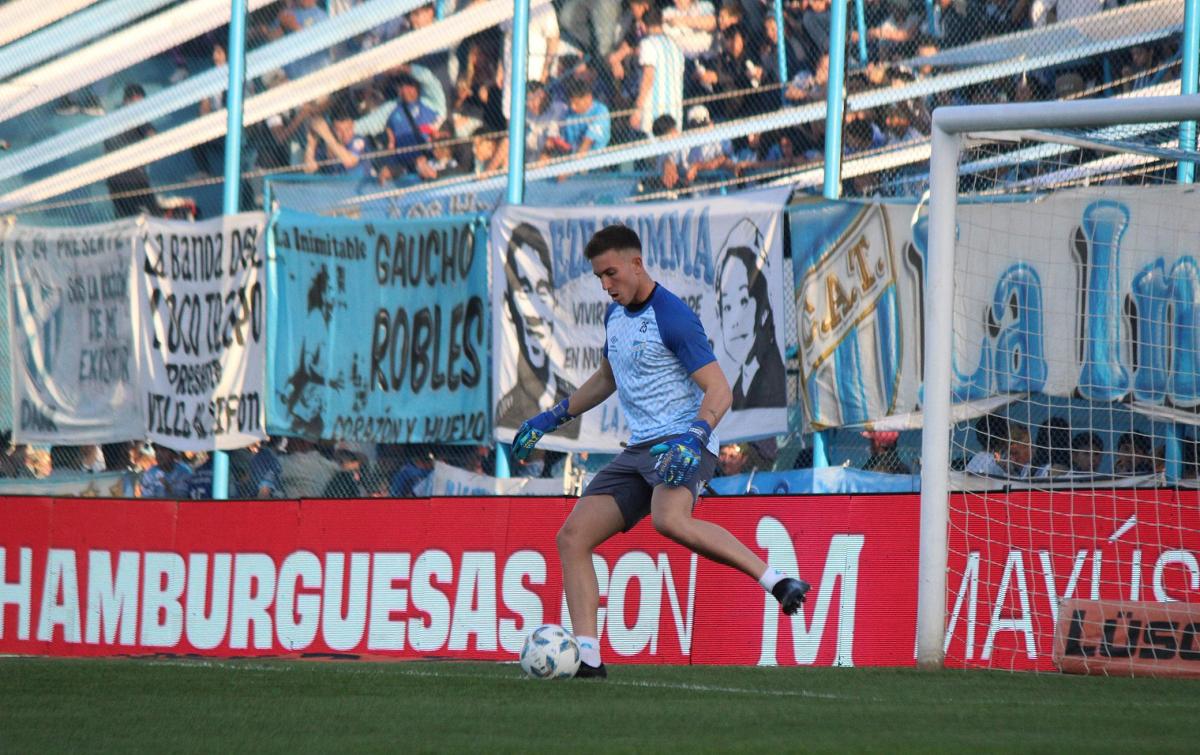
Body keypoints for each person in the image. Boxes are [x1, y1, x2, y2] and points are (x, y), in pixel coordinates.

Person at [511, 224, 810, 679]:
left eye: (611, 273)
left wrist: (695, 436)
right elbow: (607, 379)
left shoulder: (673, 316)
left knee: (669, 519)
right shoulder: (616, 317)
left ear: (636, 263)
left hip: (682, 443)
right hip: (638, 449)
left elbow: (718, 389)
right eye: (598, 278)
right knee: (572, 538)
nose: (606, 285)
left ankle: (777, 581)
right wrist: (551, 417)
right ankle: (589, 658)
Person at [495, 223, 580, 438]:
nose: (534, 312)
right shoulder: (506, 413)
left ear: (554, 302)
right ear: (508, 305)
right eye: (524, 290)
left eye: (542, 290)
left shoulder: (576, 405)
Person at [715, 219, 786, 409]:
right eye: (727, 307)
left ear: (763, 307)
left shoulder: (771, 378)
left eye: (744, 301)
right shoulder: (738, 381)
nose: (735, 321)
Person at [631, 6, 685, 138]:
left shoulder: (647, 44)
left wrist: (637, 110)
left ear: (643, 25)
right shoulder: (675, 45)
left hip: (653, 112)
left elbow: (648, 77)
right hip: (675, 109)